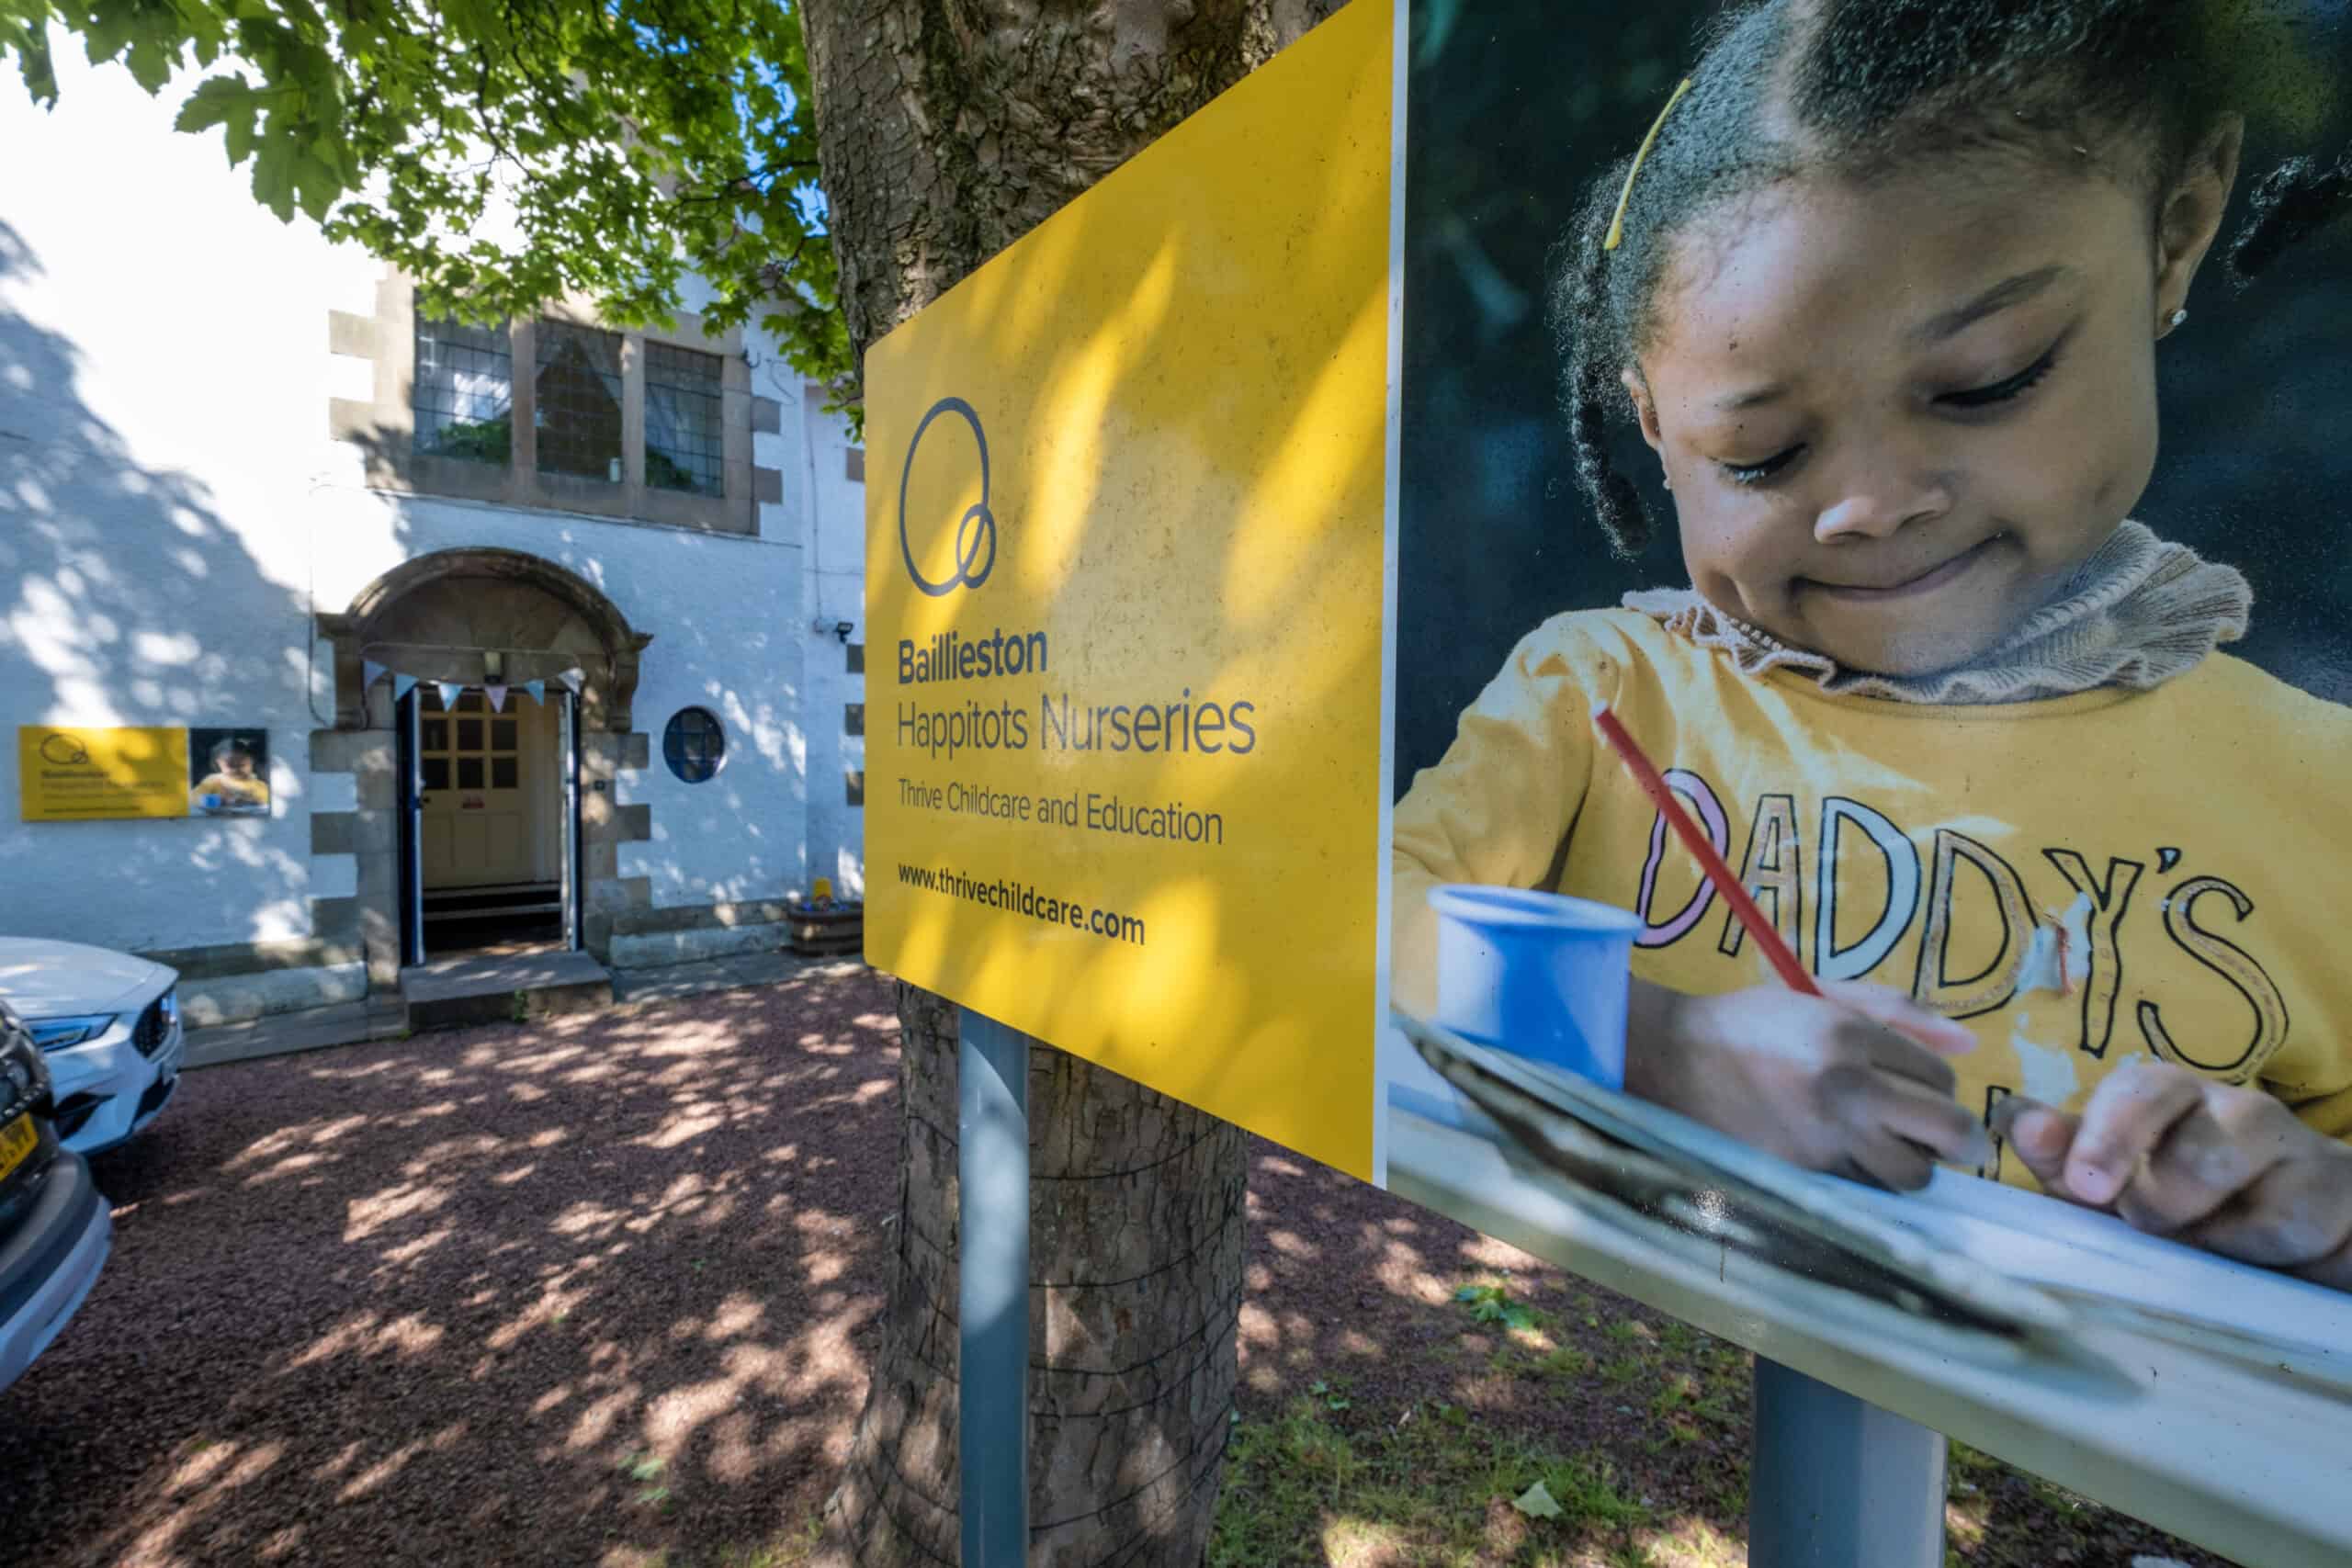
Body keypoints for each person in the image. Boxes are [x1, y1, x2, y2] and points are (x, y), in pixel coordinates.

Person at [1392, 0, 2352, 1289]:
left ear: (2176, 232)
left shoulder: (2322, 785)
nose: (1873, 504)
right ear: (1654, 427)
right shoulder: (1608, 696)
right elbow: (1350, 927)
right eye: (1763, 455)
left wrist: (2316, 1205)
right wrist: (1657, 1042)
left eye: (1989, 379)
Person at [189, 737, 269, 814]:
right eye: (230, 765)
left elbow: (268, 800)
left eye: (242, 765)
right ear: (219, 764)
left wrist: (253, 800)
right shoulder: (214, 781)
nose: (236, 769)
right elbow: (192, 799)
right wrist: (217, 800)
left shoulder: (256, 783)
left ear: (252, 762)